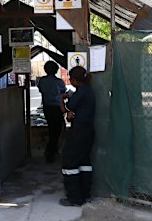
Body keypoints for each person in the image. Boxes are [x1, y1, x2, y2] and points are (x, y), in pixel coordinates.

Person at [59, 66, 95, 206]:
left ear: (74, 80)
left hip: (79, 130)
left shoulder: (81, 91)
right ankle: (85, 194)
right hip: (88, 130)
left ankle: (74, 198)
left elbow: (70, 107)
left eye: (70, 79)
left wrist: (63, 100)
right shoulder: (88, 90)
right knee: (84, 161)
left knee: (70, 162)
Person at [37, 61, 67, 163]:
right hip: (57, 108)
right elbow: (63, 93)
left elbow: (41, 90)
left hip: (47, 107)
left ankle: (53, 150)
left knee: (51, 129)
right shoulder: (59, 82)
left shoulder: (42, 81)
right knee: (57, 130)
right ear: (56, 70)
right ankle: (50, 150)